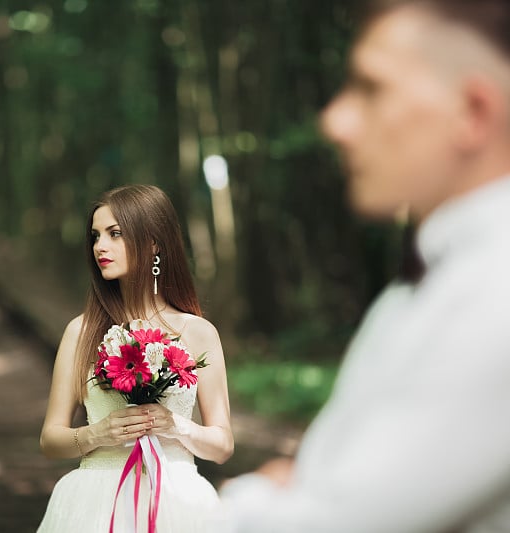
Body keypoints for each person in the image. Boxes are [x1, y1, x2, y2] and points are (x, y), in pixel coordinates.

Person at [216, 0, 510, 532]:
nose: (335, 121)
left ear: (474, 112)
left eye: (372, 89)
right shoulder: (438, 280)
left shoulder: (496, 291)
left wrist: (247, 500)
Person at [37, 184, 234, 532]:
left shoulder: (198, 332)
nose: (100, 246)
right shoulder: (80, 332)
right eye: (96, 236)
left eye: (115, 234)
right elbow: (50, 440)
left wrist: (177, 425)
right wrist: (97, 433)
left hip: (177, 501)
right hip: (95, 501)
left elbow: (222, 446)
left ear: (154, 243)